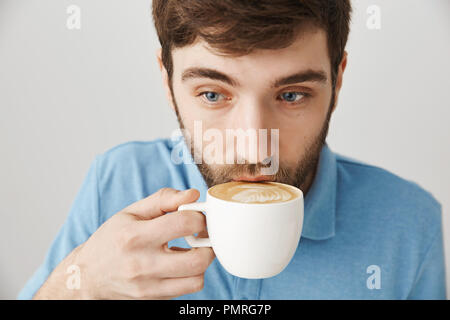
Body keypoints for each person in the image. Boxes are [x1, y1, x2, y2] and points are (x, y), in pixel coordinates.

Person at [19, 0, 446, 299]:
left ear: (337, 82)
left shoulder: (409, 223)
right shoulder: (115, 184)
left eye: (292, 95)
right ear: (168, 82)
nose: (254, 147)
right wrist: (82, 287)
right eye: (212, 94)